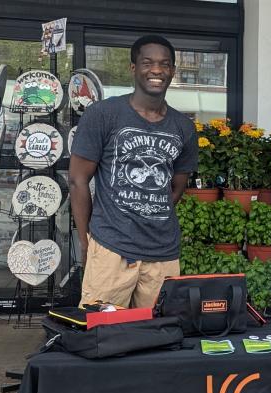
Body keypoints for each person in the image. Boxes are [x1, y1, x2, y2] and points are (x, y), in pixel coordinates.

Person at [69, 35, 197, 308]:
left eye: (164, 64)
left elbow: (176, 187)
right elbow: (78, 180)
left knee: (159, 334)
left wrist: (147, 209)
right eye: (147, 62)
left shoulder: (183, 127)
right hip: (111, 249)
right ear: (133, 68)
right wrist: (86, 240)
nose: (156, 70)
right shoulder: (104, 114)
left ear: (172, 71)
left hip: (163, 253)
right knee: (103, 334)